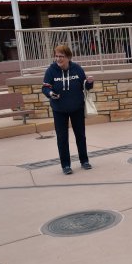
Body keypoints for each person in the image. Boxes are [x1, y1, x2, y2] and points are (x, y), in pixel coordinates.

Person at [42, 45, 94, 175]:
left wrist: (89, 82)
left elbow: (85, 86)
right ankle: (65, 165)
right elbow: (45, 88)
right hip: (59, 109)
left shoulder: (77, 69)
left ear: (68, 57)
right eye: (57, 56)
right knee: (62, 138)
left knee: (80, 136)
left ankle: (84, 161)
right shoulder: (51, 71)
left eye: (61, 56)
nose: (58, 59)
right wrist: (50, 93)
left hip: (77, 108)